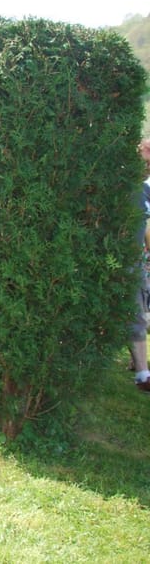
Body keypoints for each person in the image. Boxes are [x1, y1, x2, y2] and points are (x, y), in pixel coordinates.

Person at [132, 138, 150, 391]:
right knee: (135, 311)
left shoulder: (143, 190)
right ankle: (142, 373)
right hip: (126, 257)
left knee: (138, 310)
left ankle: (139, 367)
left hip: (137, 258)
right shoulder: (130, 187)